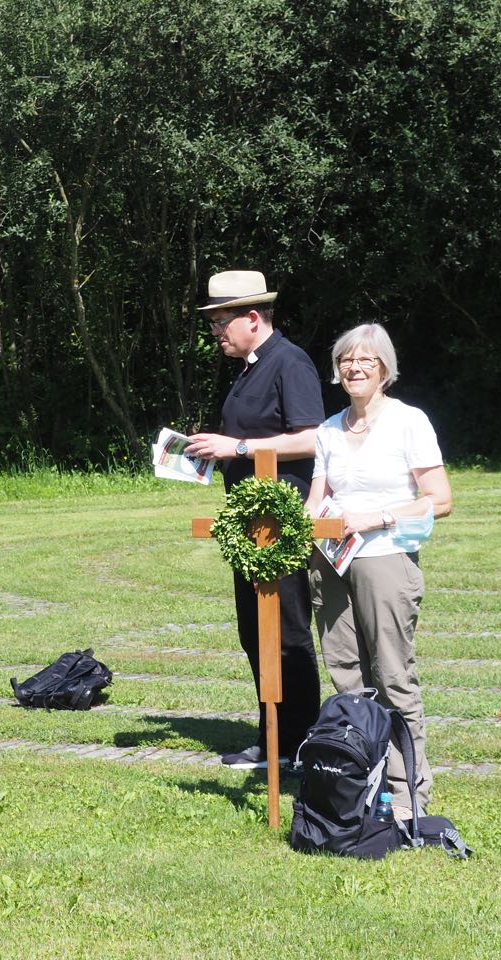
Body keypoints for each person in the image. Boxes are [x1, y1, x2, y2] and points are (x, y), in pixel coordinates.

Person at [304, 323, 451, 820]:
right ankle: (361, 782)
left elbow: (439, 499)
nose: (355, 367)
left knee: (391, 675)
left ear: (384, 368)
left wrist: (378, 516)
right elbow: (317, 500)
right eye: (347, 360)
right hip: (331, 561)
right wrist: (297, 524)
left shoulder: (409, 422)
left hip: (385, 557)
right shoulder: (328, 429)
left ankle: (409, 794)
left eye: (366, 360)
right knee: (347, 675)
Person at [185, 270, 325, 769]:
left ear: (251, 317)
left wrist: (238, 447)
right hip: (250, 524)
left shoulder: (290, 362)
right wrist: (211, 453)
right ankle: (274, 738)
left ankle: (299, 743)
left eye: (220, 322)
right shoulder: (249, 368)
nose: (215, 333)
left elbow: (313, 437)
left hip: (280, 523)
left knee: (285, 631)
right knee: (255, 631)